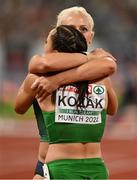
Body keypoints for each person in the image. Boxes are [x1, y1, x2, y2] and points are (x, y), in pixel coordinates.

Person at [15, 6, 117, 179]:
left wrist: (57, 81)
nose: (76, 33)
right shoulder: (40, 70)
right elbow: (20, 105)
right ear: (58, 33)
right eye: (70, 29)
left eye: (83, 29)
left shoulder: (101, 74)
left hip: (90, 163)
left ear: (91, 37)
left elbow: (110, 70)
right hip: (50, 163)